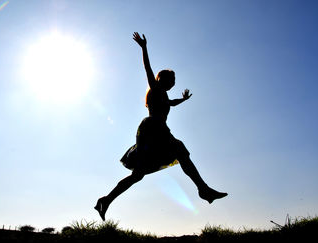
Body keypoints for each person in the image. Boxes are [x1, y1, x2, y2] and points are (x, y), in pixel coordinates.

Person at [94, 32, 227, 221]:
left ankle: (105, 200)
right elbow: (148, 69)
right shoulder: (155, 88)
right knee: (180, 150)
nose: (173, 84)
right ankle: (204, 190)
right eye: (171, 81)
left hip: (156, 130)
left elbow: (171, 103)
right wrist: (144, 48)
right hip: (152, 129)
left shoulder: (163, 95)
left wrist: (183, 99)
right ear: (162, 80)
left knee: (138, 174)